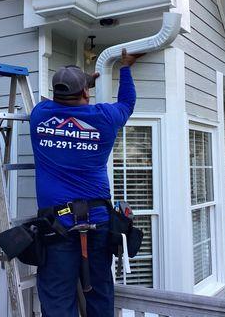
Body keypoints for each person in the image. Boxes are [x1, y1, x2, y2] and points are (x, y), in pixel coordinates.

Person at [29, 48, 143, 317]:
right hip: (98, 222)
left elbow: (55, 100)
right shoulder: (104, 118)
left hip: (57, 225)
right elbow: (127, 103)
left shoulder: (40, 115)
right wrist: (125, 68)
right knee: (100, 292)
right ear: (85, 94)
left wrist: (83, 85)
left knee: (58, 299)